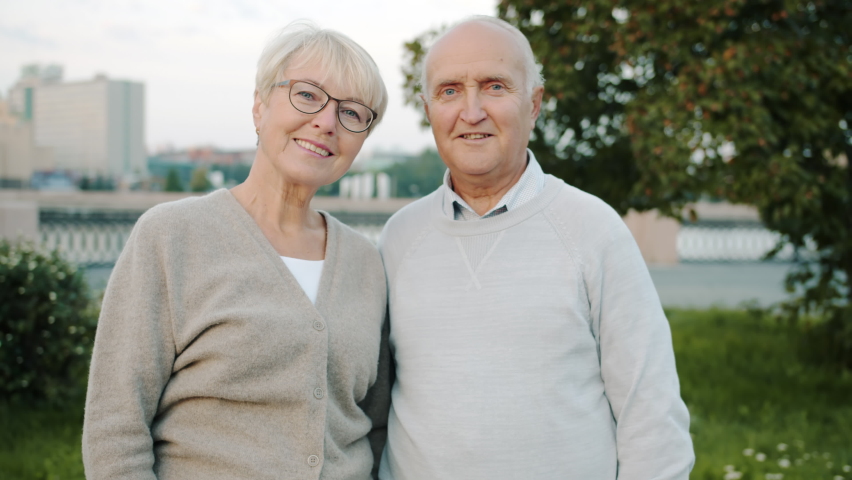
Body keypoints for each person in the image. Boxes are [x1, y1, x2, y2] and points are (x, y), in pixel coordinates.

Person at [377, 16, 694, 479]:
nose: (471, 111)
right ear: (428, 110)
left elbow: (652, 415)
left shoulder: (593, 230)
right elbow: (370, 407)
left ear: (535, 104)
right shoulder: (399, 238)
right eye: (449, 91)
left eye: (494, 86)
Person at [83, 22, 391, 479]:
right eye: (307, 95)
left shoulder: (368, 262)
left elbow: (376, 423)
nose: (327, 122)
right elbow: (115, 430)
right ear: (259, 107)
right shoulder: (171, 237)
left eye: (352, 113)